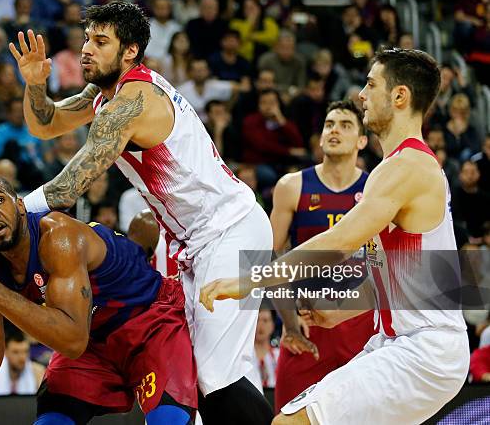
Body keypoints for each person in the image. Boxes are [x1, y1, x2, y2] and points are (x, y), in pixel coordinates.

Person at [12, 1, 274, 424]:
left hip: (230, 229)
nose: (86, 50)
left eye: (101, 42)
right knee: (203, 364)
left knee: (213, 373)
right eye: (86, 39)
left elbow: (70, 185)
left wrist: (12, 212)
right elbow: (45, 124)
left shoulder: (135, 99)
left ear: (130, 50)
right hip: (188, 238)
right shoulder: (105, 95)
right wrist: (35, 85)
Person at [200, 48, 470, 425]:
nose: (361, 94)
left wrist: (249, 281)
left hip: (423, 348)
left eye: (371, 84)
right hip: (400, 343)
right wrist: (339, 310)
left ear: (400, 96)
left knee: (289, 423)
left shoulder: (409, 167)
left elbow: (340, 240)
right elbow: (398, 279)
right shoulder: (394, 169)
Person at [0, 175, 197, 424]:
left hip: (148, 323)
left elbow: (72, 341)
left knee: (169, 421)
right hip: (91, 340)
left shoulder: (58, 236)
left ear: (20, 206)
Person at [270, 100, 376, 410]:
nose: (335, 131)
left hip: (361, 326)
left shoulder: (377, 189)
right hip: (307, 324)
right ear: (320, 137)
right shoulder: (292, 186)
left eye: (345, 126)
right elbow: (268, 259)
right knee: (287, 417)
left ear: (361, 141)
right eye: (330, 124)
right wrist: (288, 322)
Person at [0, 330, 45, 396]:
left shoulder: (38, 372)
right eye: (15, 352)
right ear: (6, 352)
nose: (22, 357)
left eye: (25, 351)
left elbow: (42, 404)